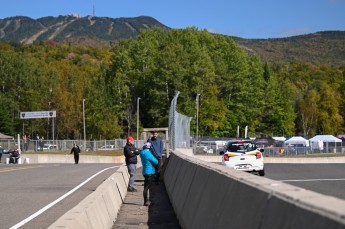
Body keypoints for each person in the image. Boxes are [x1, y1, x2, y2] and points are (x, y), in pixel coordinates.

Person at [140, 142, 158, 206]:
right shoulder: (148, 153)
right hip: (150, 172)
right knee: (147, 187)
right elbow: (156, 161)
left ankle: (146, 201)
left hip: (145, 172)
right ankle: (147, 201)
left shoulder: (142, 153)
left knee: (146, 186)